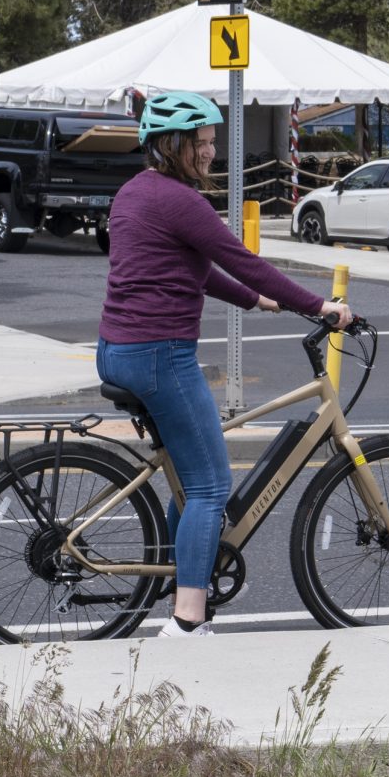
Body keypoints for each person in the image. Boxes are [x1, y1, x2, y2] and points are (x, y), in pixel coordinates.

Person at [97, 92, 353, 637]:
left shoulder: (133, 194)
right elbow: (244, 261)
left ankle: (177, 575)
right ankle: (187, 624)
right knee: (212, 486)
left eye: (214, 141)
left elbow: (189, 266)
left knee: (189, 485)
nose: (212, 152)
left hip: (117, 351)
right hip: (160, 355)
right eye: (204, 142)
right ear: (173, 145)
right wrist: (319, 306)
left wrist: (252, 301)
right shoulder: (182, 201)